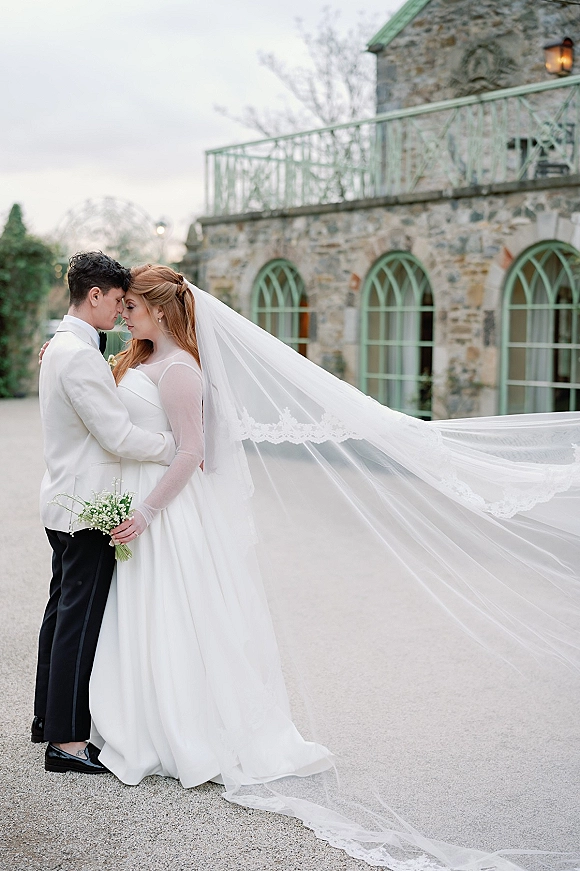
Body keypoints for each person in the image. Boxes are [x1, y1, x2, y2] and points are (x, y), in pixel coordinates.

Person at [85, 263, 580, 869]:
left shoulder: (182, 371)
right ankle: (143, 719)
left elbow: (193, 453)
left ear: (160, 309)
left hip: (165, 514)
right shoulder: (138, 359)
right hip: (140, 505)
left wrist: (148, 513)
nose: (125, 311)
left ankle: (184, 733)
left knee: (176, 618)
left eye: (132, 303)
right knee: (145, 616)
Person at [34, 252, 176, 775]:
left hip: (64, 499)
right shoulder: (76, 354)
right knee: (78, 621)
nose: (121, 312)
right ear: (94, 295)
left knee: (60, 615)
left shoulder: (64, 347)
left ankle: (47, 722)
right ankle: (67, 743)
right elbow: (116, 436)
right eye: (118, 301)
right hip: (88, 506)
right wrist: (175, 446)